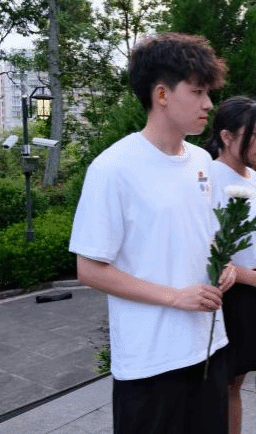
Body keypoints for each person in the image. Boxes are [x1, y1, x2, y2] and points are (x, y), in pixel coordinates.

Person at [69, 33, 236, 433]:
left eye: (208, 92)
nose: (208, 104)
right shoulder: (113, 168)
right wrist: (176, 297)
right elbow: (89, 269)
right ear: (162, 94)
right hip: (151, 363)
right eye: (197, 91)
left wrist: (225, 263)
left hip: (208, 346)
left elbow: (206, 236)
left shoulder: (202, 161)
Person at [205, 96, 256, 434]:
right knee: (218, 385)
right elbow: (206, 249)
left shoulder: (254, 177)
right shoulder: (209, 177)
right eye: (254, 133)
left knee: (235, 383)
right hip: (222, 294)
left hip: (253, 291)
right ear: (226, 136)